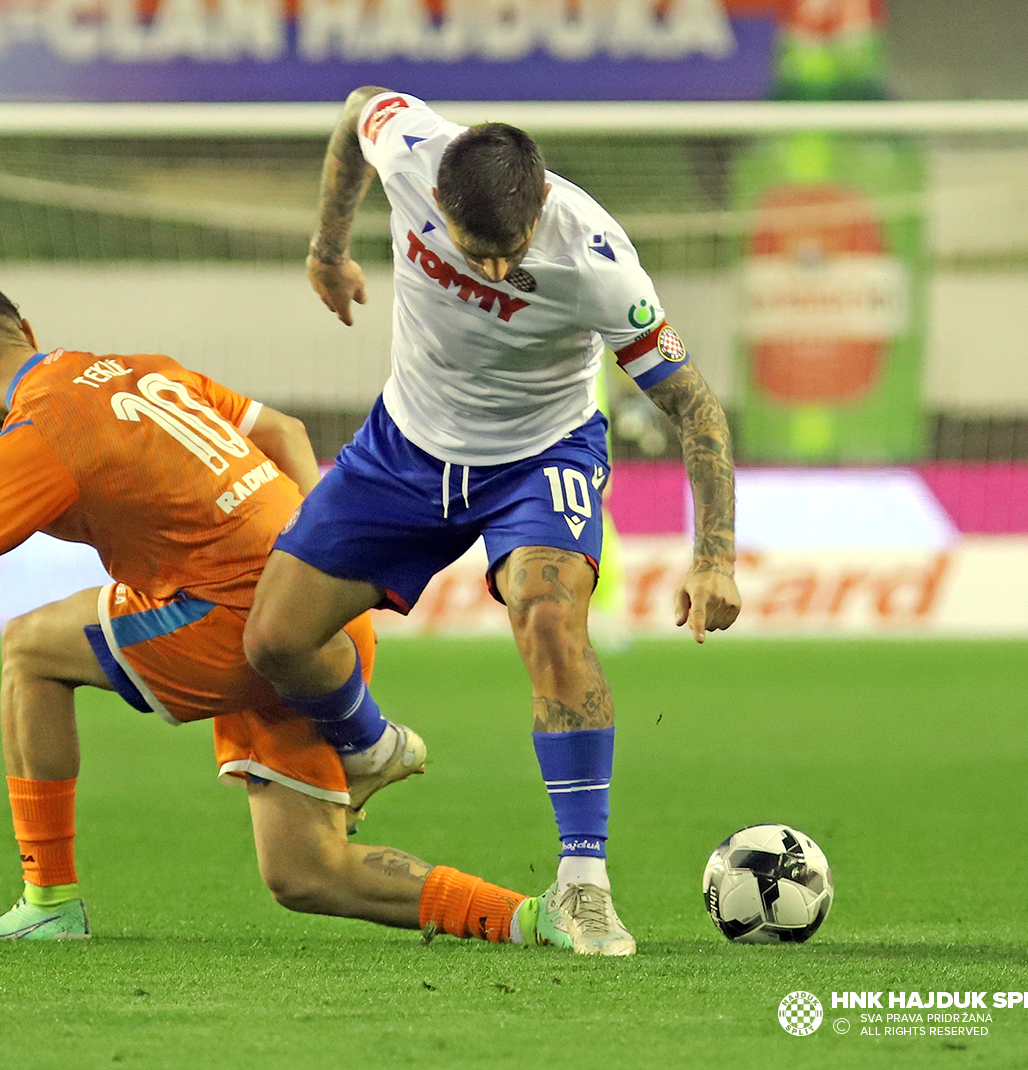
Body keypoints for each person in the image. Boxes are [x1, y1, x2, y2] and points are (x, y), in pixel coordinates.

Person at [0, 282, 561, 946]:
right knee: (306, 876)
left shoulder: (37, 433)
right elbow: (285, 429)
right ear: (26, 325)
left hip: (233, 619)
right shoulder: (138, 368)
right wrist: (330, 561)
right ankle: (529, 917)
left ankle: (49, 899)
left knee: (28, 650)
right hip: (319, 609)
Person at [241, 89, 743, 956]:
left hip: (539, 457)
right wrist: (327, 248)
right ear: (435, 199)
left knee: (549, 620)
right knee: (274, 641)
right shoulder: (405, 148)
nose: (501, 275)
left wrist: (715, 557)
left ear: (541, 201)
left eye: (513, 257)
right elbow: (358, 106)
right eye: (481, 257)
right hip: (405, 448)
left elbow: (695, 410)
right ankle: (370, 746)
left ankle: (585, 887)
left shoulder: (599, 264)